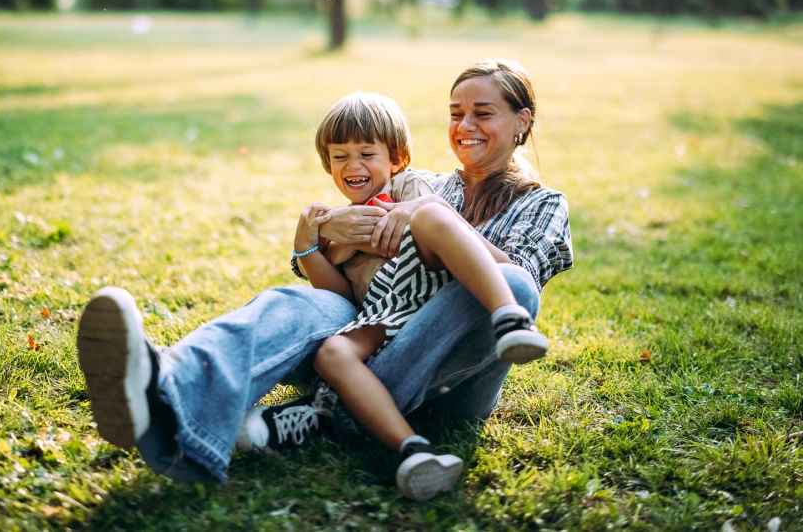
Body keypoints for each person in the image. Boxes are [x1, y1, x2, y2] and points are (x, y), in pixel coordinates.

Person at [75, 59, 573, 491]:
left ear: (521, 122)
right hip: (372, 334)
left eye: (482, 114)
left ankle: (331, 414)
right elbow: (341, 264)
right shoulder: (421, 182)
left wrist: (429, 220)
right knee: (295, 303)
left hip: (450, 374)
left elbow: (521, 275)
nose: (465, 125)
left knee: (511, 287)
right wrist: (316, 235)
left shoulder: (540, 203)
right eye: (456, 113)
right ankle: (165, 393)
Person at [234, 91, 548, 500]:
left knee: (433, 214)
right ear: (328, 163)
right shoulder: (338, 226)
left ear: (396, 158)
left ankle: (508, 317)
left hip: (428, 299)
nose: (353, 166)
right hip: (383, 313)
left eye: (367, 153)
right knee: (332, 353)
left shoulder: (410, 184)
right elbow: (342, 297)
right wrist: (309, 247)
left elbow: (436, 218)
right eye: (340, 156)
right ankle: (411, 450)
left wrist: (384, 218)